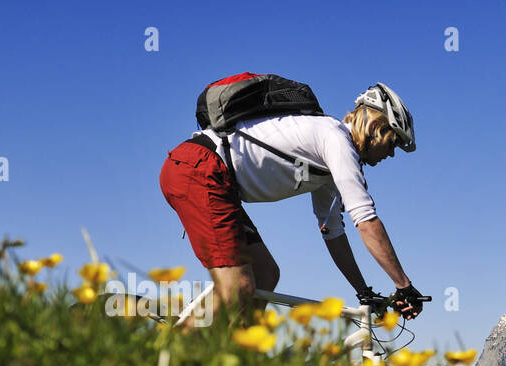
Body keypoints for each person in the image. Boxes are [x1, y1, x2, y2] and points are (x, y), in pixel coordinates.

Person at [159, 82, 426, 323]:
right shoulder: (335, 138)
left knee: (265, 274)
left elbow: (333, 233)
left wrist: (363, 291)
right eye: (392, 143)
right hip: (198, 169)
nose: (391, 154)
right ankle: (170, 359)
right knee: (237, 287)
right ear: (375, 128)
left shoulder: (329, 168)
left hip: (213, 179)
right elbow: (366, 221)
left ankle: (241, 360)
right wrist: (404, 285)